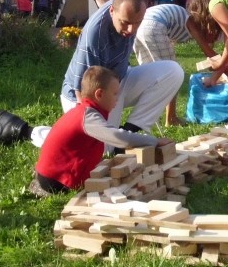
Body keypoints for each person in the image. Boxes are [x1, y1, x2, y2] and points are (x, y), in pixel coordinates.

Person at [0, 0, 184, 146]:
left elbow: (121, 3)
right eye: (125, 23)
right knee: (95, 148)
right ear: (112, 11)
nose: (131, 30)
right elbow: (82, 91)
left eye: (137, 22)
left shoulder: (126, 12)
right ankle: (20, 129)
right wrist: (96, 127)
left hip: (115, 84)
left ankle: (130, 134)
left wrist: (124, 137)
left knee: (173, 72)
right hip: (86, 95)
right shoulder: (94, 33)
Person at [27, 66, 173, 197]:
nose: (117, 98)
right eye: (115, 94)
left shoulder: (83, 111)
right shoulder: (88, 117)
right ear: (99, 94)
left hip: (49, 174)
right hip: (56, 181)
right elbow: (118, 137)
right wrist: (154, 141)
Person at [133, 2, 228, 126]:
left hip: (138, 26)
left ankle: (144, 118)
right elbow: (208, 52)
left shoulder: (180, 16)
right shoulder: (190, 20)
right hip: (153, 26)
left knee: (151, 77)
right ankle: (171, 119)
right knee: (172, 74)